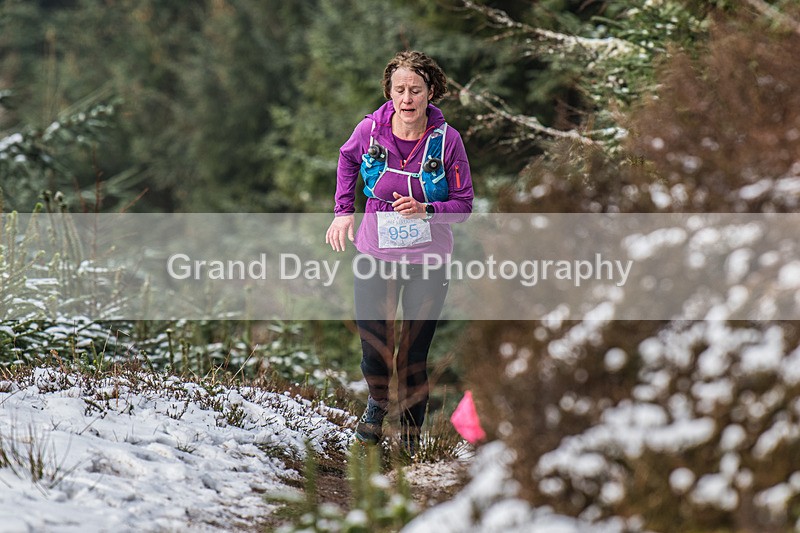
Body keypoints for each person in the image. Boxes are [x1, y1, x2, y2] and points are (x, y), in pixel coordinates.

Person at [325, 50, 473, 456]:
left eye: (415, 90)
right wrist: (342, 212)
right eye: (399, 90)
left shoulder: (447, 141)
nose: (406, 99)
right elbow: (347, 159)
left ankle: (409, 439)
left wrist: (428, 210)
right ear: (389, 92)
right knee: (375, 344)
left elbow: (463, 206)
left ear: (431, 93)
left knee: (413, 352)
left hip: (429, 259)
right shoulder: (370, 130)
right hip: (376, 252)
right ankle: (377, 402)